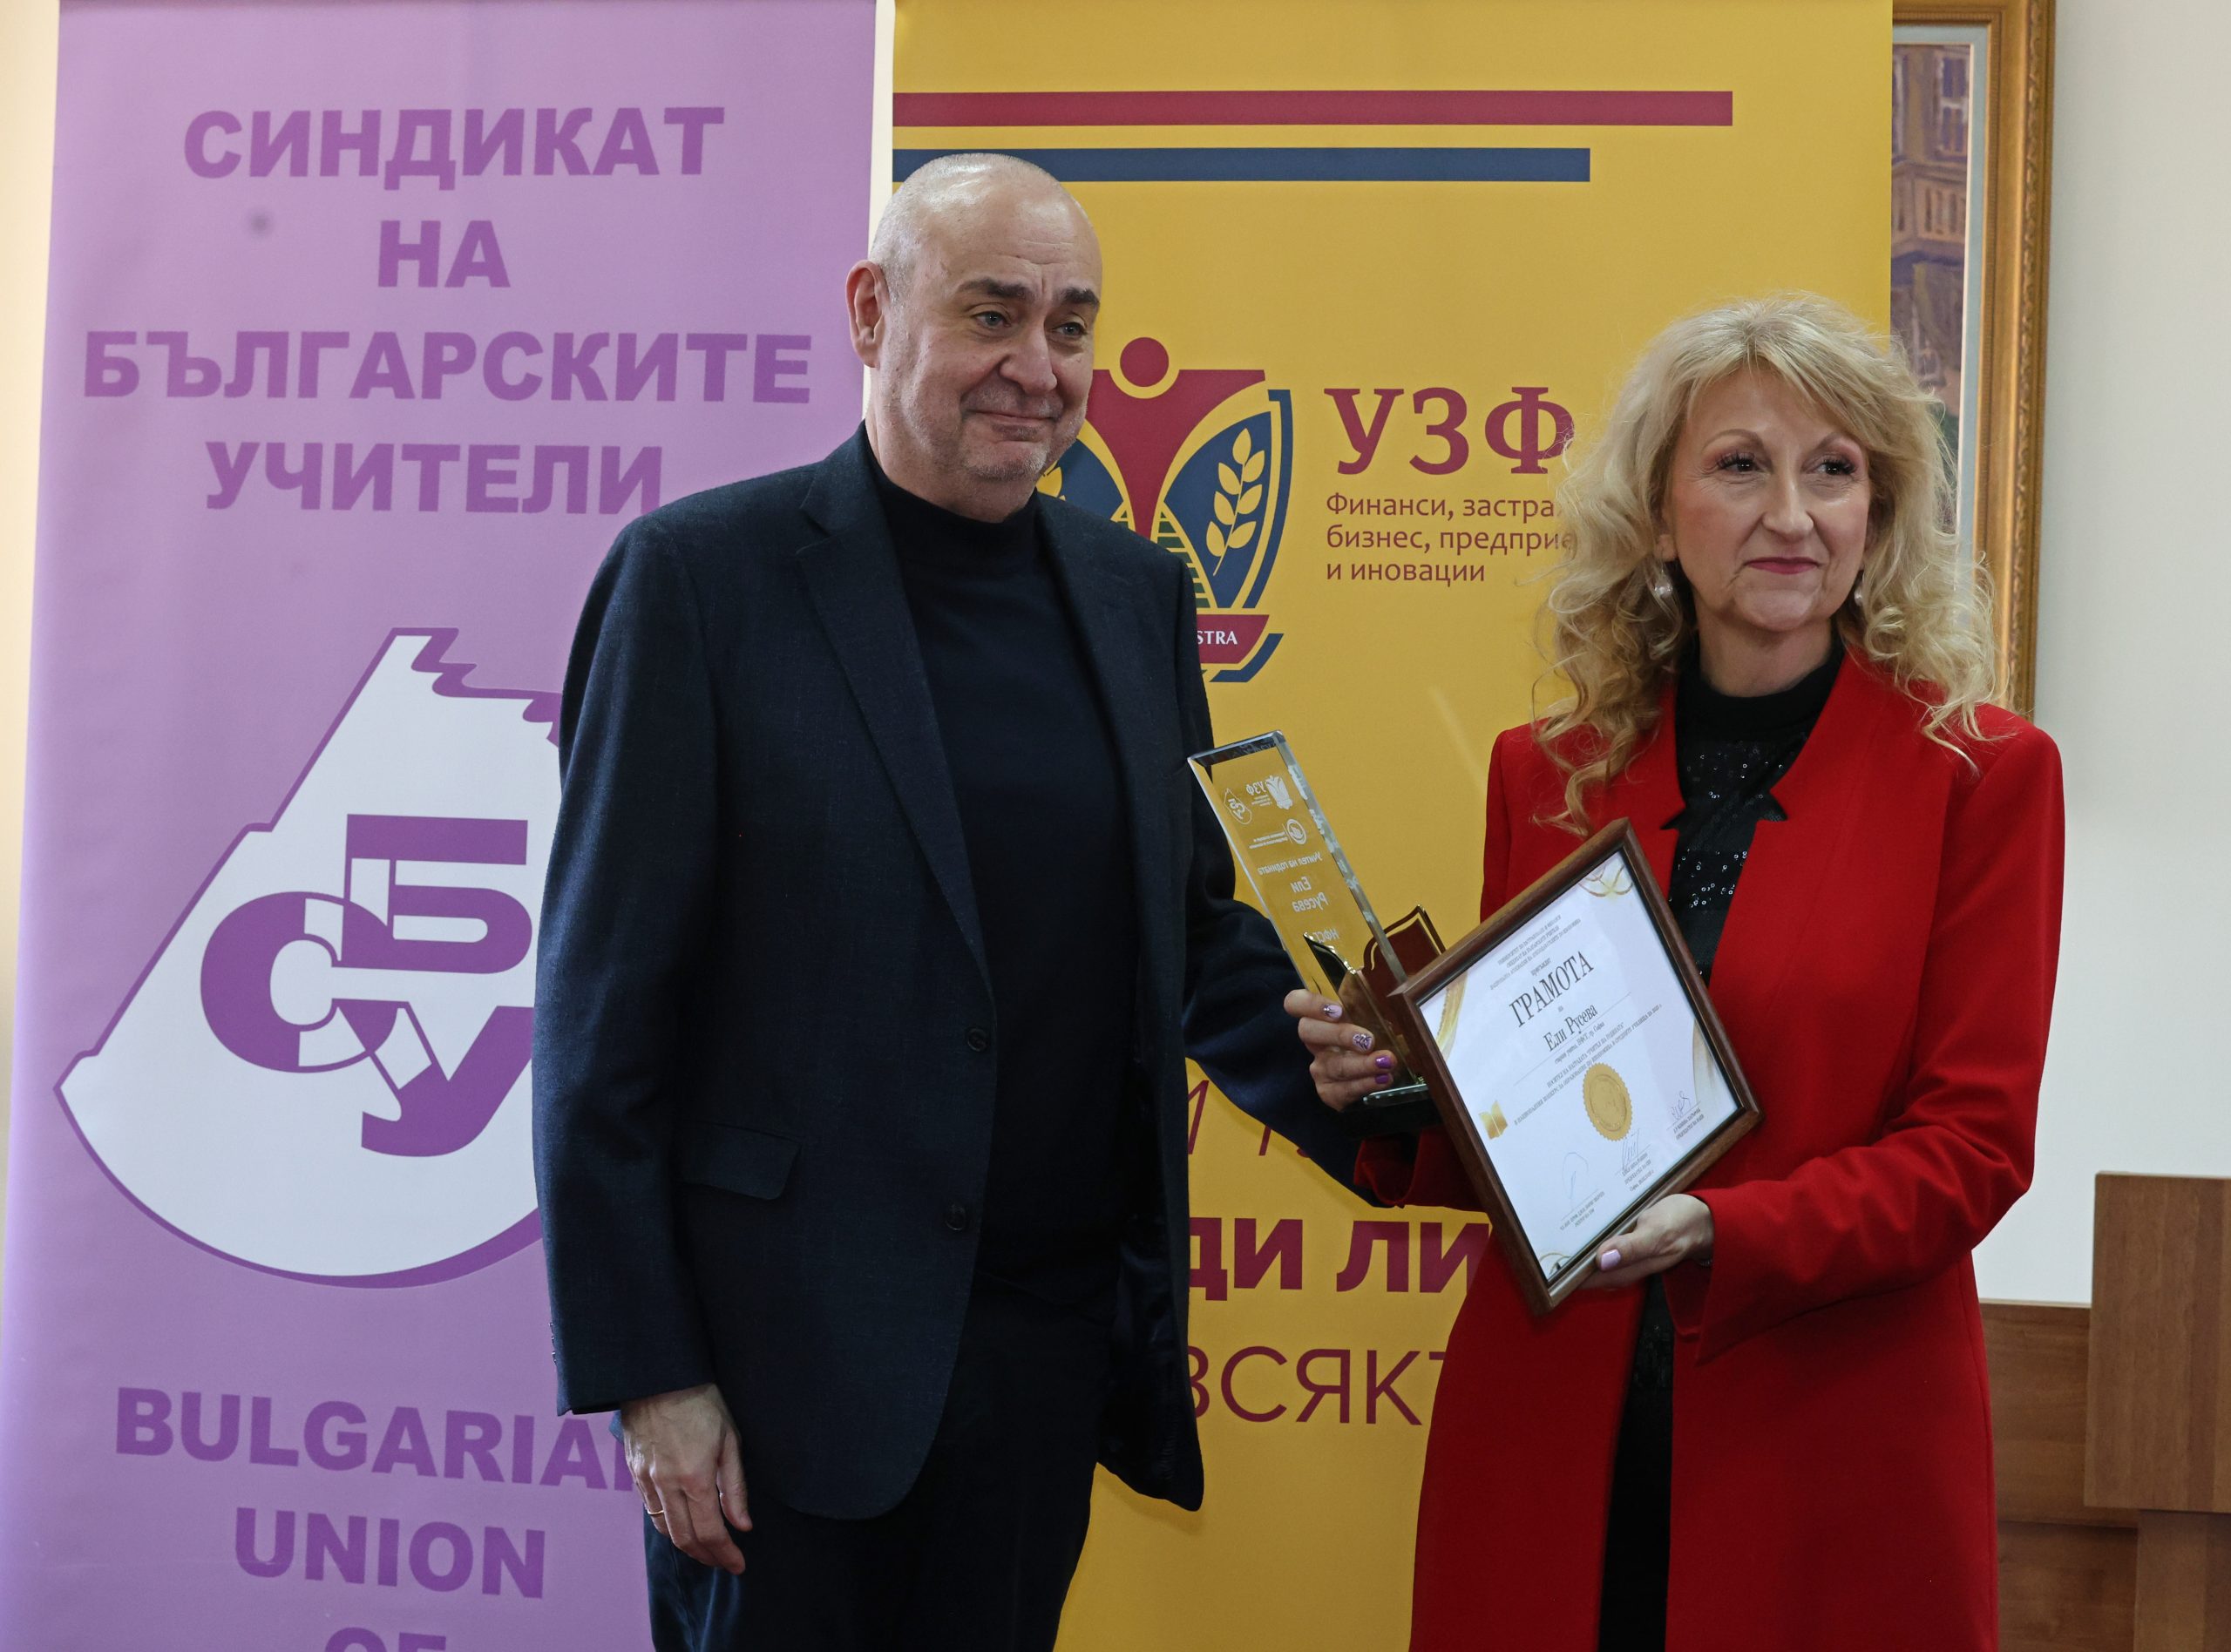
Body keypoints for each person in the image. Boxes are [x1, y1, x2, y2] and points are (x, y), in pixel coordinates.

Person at [532, 152, 1349, 1652]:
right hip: (777, 1385)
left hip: (1039, 1368)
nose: (1039, 366)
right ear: (871, 310)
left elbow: (1184, 932)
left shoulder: (1135, 594)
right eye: (993, 314)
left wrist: (1394, 1096)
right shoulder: (698, 581)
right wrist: (654, 1376)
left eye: (1072, 325)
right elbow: (601, 1015)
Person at [1289, 294, 2064, 1652]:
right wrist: (1402, 1090)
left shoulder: (1983, 777)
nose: (1792, 515)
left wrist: (1725, 1230)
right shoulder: (1545, 774)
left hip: (1829, 1437)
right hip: (1551, 1427)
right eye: (1740, 465)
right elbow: (1542, 1121)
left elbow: (1973, 1149)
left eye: (1835, 470)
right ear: (1657, 514)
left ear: (1879, 516)